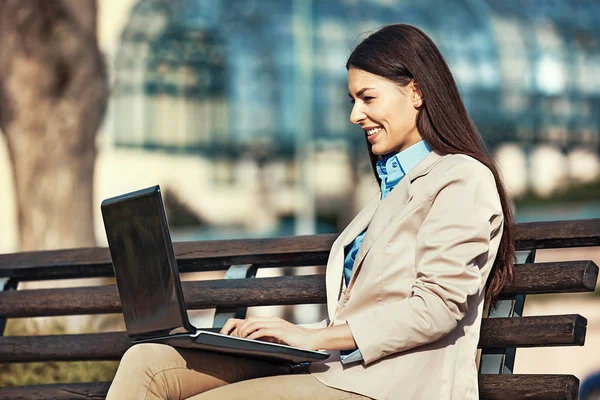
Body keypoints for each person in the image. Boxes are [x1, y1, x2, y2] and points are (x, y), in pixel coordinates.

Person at [106, 24, 515, 400]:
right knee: (147, 362)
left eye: (368, 98)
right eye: (353, 100)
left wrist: (314, 337)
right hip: (337, 370)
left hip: (394, 386)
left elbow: (437, 308)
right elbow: (365, 313)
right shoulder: (387, 195)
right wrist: (282, 338)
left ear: (416, 92)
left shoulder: (461, 178)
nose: (355, 115)